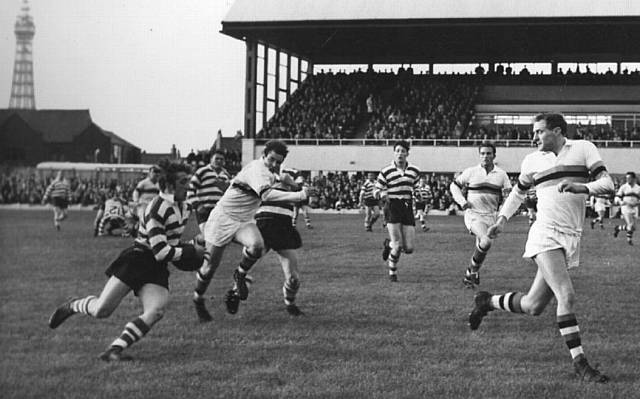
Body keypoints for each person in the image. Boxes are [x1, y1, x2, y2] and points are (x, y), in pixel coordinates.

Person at [469, 113, 613, 383]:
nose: (533, 137)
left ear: (557, 131)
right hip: (545, 234)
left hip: (571, 236)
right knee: (566, 296)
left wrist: (581, 187)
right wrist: (501, 220)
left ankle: (486, 301)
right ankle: (580, 364)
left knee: (533, 305)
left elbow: (607, 184)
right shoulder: (532, 160)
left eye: (539, 132)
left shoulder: (583, 149)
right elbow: (518, 193)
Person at [48, 160, 203, 361]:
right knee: (102, 311)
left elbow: (171, 242)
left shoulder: (185, 206)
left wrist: (193, 244)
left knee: (156, 310)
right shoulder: (157, 208)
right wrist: (192, 252)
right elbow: (161, 252)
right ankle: (72, 305)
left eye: (189, 180)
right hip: (137, 261)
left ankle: (114, 350)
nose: (188, 184)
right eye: (184, 181)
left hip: (156, 267)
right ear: (169, 185)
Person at [191, 140, 313, 321]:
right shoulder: (258, 168)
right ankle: (198, 299)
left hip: (244, 220)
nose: (274, 164)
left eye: (278, 162)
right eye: (271, 159)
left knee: (256, 246)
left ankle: (239, 275)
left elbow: (277, 182)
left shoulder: (273, 173)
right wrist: (299, 194)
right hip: (223, 219)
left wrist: (293, 184)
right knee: (209, 268)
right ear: (264, 155)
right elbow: (266, 194)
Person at [450, 142, 512, 288]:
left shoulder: (501, 175)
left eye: (488, 153)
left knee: (481, 246)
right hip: (474, 215)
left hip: (491, 216)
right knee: (486, 241)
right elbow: (454, 186)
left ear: (494, 155)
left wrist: (503, 213)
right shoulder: (471, 172)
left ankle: (470, 272)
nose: (485, 156)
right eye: (482, 153)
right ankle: (471, 273)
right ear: (479, 155)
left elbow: (509, 196)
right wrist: (462, 201)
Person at [252, 171, 308, 316]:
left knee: (293, 278)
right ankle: (234, 292)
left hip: (283, 228)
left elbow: (305, 197)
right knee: (246, 268)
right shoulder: (265, 181)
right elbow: (282, 177)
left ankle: (290, 304)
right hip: (263, 226)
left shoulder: (294, 190)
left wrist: (295, 185)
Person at [187, 149, 232, 299]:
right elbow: (191, 189)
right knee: (209, 237)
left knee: (213, 239)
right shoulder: (202, 172)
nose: (219, 161)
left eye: (221, 159)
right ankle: (197, 251)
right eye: (216, 159)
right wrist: (196, 204)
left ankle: (196, 242)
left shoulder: (226, 174)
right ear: (211, 159)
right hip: (204, 209)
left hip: (219, 212)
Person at [374, 140, 420, 282]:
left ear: (407, 154)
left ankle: (388, 244)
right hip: (392, 206)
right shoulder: (386, 171)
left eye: (403, 151)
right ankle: (392, 271)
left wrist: (419, 194)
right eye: (397, 151)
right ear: (394, 153)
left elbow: (418, 187)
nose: (400, 154)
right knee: (398, 244)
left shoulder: (414, 171)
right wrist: (381, 194)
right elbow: (376, 189)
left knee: (409, 248)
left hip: (407, 206)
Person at [613, 171, 639, 245]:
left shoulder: (638, 188)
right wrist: (620, 202)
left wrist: (637, 203)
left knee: (633, 227)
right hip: (625, 207)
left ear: (634, 179)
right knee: (630, 224)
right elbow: (617, 197)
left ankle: (618, 228)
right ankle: (629, 240)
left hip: (634, 208)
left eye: (629, 178)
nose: (628, 180)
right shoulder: (624, 187)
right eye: (627, 178)